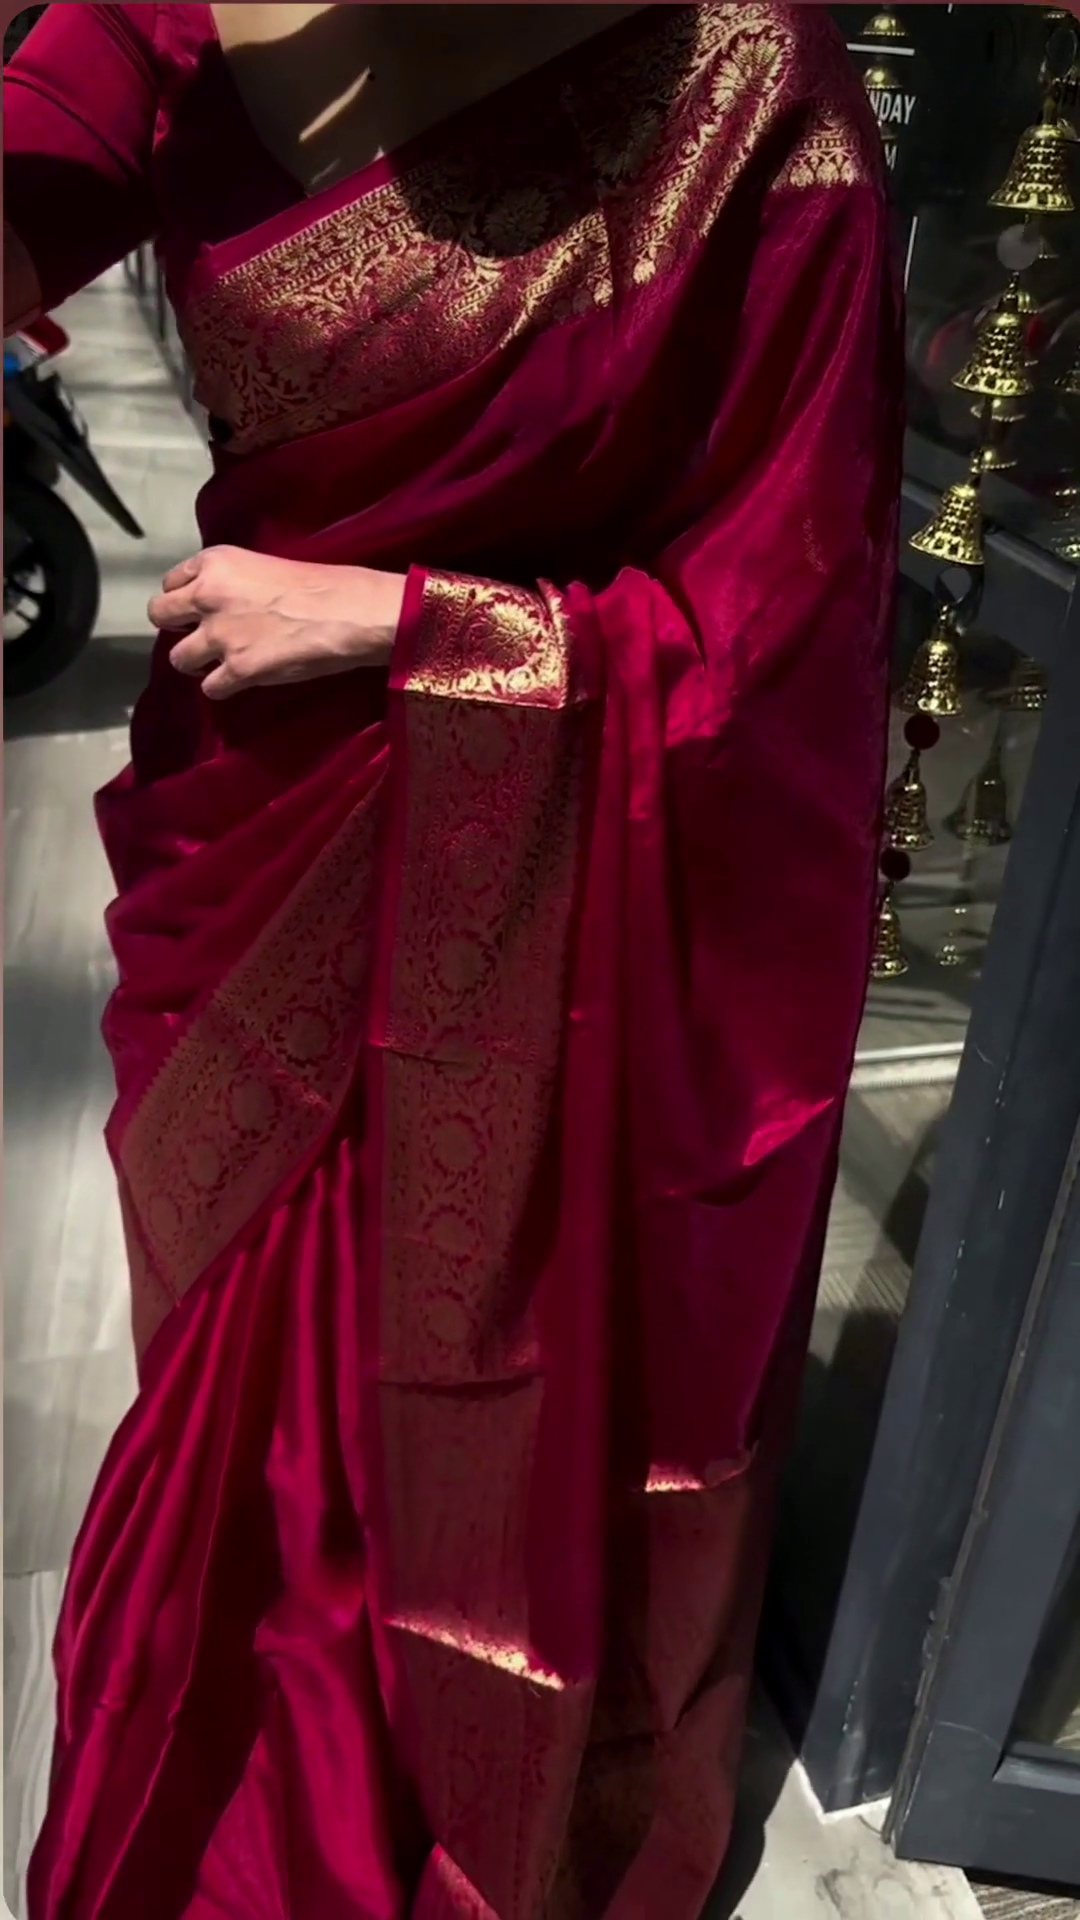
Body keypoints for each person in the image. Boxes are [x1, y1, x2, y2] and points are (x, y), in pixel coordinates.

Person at [4, 6, 901, 1915]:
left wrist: (411, 626)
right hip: (249, 829)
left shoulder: (751, 92)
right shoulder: (167, 16)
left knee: (438, 1393)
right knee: (245, 1398)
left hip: (527, 865)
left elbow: (782, 626)